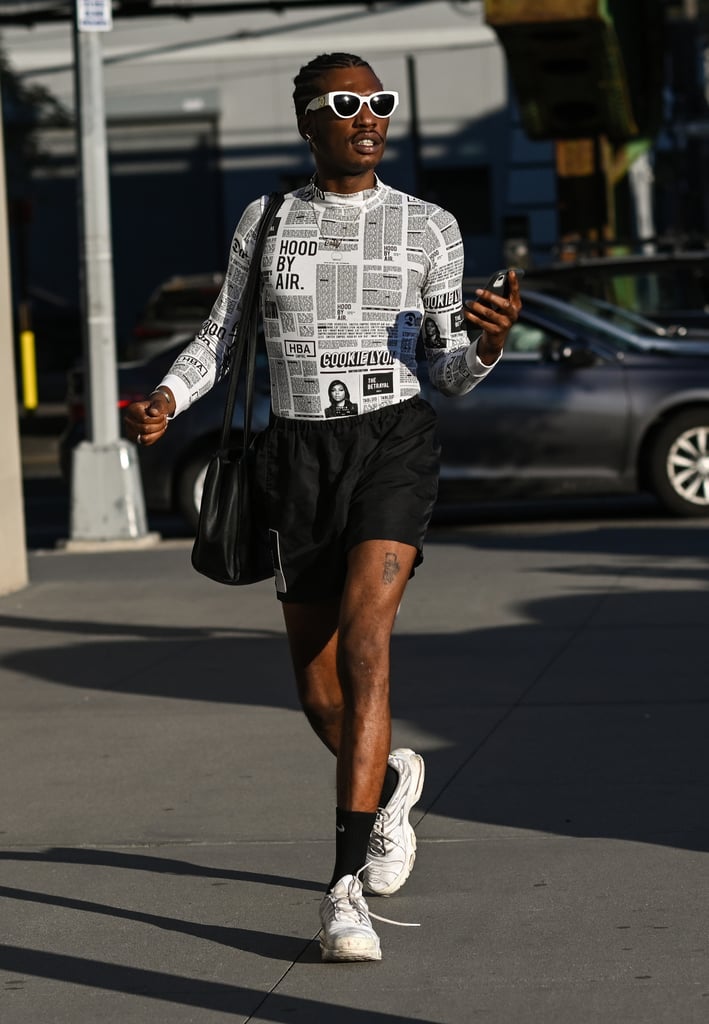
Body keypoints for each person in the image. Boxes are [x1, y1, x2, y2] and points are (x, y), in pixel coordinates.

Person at [124, 52, 521, 964]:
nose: (367, 115)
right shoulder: (266, 222)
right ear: (308, 122)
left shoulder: (429, 227)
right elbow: (221, 337)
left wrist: (488, 348)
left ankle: (342, 891)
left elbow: (449, 372)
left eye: (377, 102)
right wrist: (168, 400)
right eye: (345, 104)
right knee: (316, 688)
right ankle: (391, 781)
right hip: (293, 455)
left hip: (391, 444)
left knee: (369, 644)